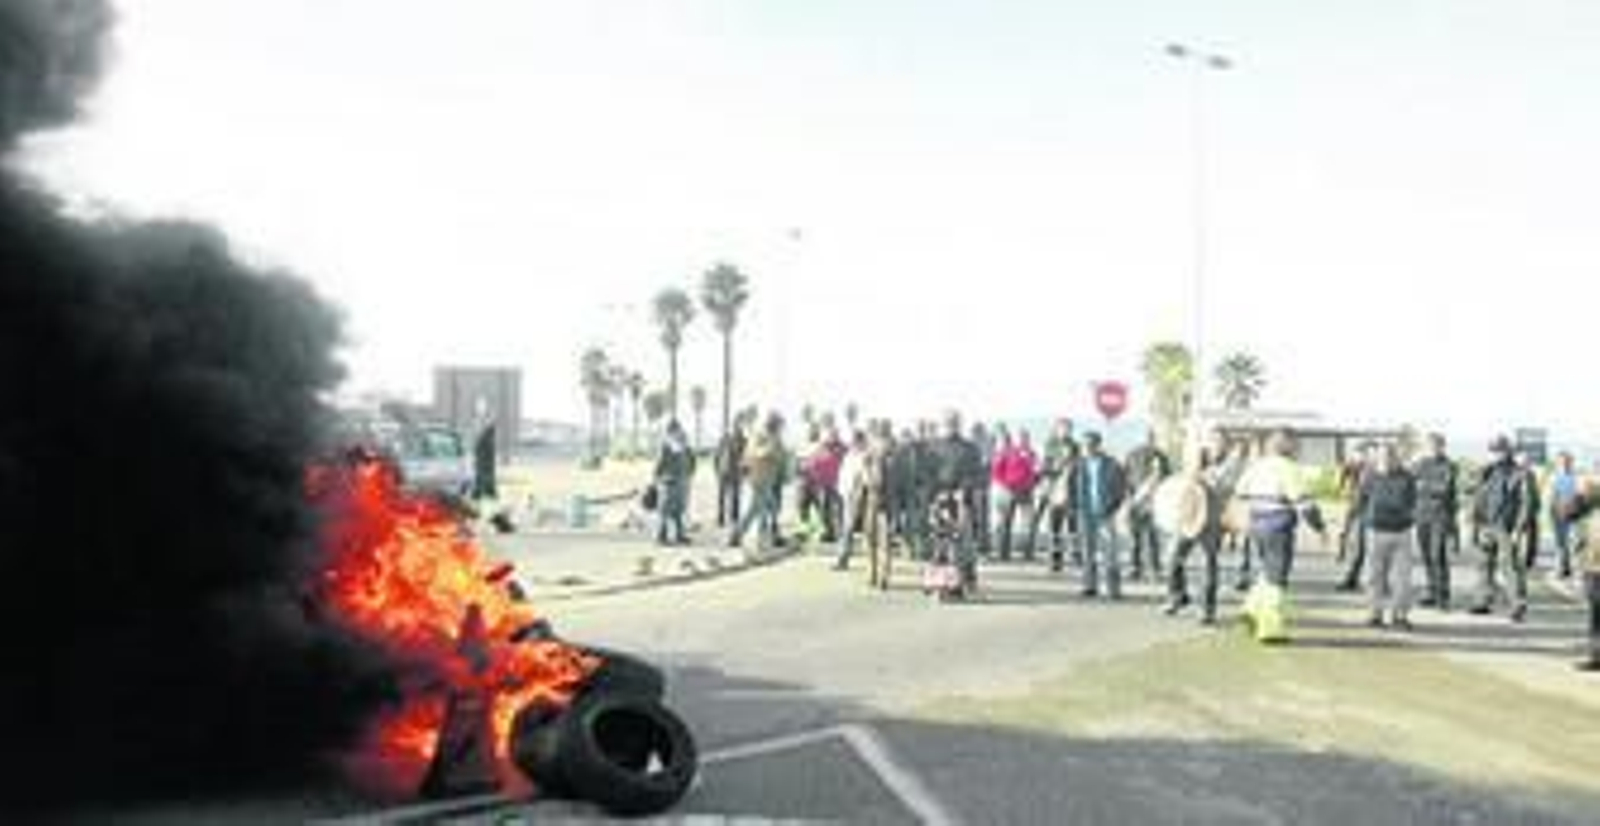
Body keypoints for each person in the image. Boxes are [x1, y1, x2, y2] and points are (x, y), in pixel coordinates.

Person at [1234, 429, 1315, 590]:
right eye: (1296, 445)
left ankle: (1259, 609)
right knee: (1278, 573)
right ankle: (1270, 611)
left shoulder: (1257, 466)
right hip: (1279, 524)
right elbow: (1303, 502)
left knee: (1264, 569)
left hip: (1256, 523)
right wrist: (1319, 526)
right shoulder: (1289, 468)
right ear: (1289, 447)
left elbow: (1240, 491)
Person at [1468, 435, 1535, 623]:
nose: (1496, 453)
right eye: (1494, 450)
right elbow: (1478, 498)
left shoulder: (1520, 473)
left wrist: (1518, 529)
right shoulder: (1487, 471)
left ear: (1508, 451)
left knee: (1511, 567)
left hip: (1508, 526)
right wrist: (1477, 523)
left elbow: (1526, 503)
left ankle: (1518, 605)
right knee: (1483, 565)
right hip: (1487, 524)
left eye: (1500, 450)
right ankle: (1482, 600)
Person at [1156, 441, 1219, 624]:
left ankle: (1207, 609)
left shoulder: (1214, 477)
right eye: (1190, 459)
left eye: (1198, 459)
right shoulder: (1180, 478)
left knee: (1207, 566)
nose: (1193, 463)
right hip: (1183, 525)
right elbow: (1172, 499)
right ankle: (1177, 597)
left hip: (1209, 527)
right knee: (1172, 560)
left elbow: (1221, 499)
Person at [1362, 443, 1418, 630]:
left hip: (1401, 533)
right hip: (1375, 532)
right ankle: (1374, 614)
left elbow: (1412, 502)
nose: (1385, 460)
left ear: (1396, 458)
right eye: (1382, 457)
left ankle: (1399, 616)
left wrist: (1406, 517)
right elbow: (1361, 500)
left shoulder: (1407, 478)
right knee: (1374, 577)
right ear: (1377, 458)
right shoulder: (1369, 476)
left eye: (1389, 457)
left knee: (1402, 579)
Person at [928, 411, 985, 597]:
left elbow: (977, 474)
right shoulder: (934, 447)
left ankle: (965, 581)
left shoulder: (969, 448)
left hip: (962, 501)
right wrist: (933, 493)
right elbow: (927, 473)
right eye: (948, 422)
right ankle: (940, 584)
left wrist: (964, 490)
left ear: (959, 424)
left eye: (954, 422)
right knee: (940, 544)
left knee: (963, 545)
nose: (951, 425)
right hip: (939, 500)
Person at [1070, 431, 1128, 599]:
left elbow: (1120, 488)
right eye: (1084, 445)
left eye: (1089, 445)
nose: (1086, 448)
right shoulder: (1079, 465)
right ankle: (1089, 585)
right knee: (1088, 551)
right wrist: (1075, 507)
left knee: (1110, 552)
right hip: (1086, 512)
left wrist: (1113, 507)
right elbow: (1071, 487)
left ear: (1097, 445)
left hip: (1106, 513)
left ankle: (1113, 589)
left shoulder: (1111, 464)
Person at [1412, 433, 1460, 609]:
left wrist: (1423, 485)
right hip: (1421, 515)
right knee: (1426, 557)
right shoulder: (1421, 464)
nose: (1433, 449)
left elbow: (1444, 489)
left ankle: (1443, 596)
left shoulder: (1449, 466)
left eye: (1436, 445)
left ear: (1442, 446)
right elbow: (1410, 482)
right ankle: (1431, 591)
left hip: (1440, 517)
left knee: (1437, 556)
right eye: (1429, 446)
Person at [729, 414, 786, 551]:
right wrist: (770, 449)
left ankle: (768, 537)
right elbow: (753, 453)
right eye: (779, 425)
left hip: (769, 479)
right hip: (757, 478)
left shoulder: (775, 438)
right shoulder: (759, 436)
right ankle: (737, 535)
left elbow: (780, 456)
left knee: (769, 509)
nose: (781, 429)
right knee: (755, 510)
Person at [1032, 418, 1081, 571]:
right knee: (1055, 527)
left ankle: (1076, 555)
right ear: (1056, 428)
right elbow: (1042, 468)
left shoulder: (1075, 446)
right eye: (1063, 428)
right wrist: (1054, 468)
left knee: (1073, 526)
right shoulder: (1049, 445)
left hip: (1071, 491)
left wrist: (1072, 464)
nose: (1065, 431)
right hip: (1054, 491)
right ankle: (1055, 559)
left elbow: (1080, 466)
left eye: (1068, 428)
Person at [1124, 433, 1172, 581]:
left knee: (1151, 538)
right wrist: (1129, 497)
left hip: (1153, 502)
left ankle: (1153, 568)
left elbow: (1167, 479)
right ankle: (1136, 567)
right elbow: (1125, 477)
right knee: (1136, 538)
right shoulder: (1133, 455)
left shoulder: (1161, 456)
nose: (1149, 441)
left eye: (1151, 438)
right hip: (1137, 501)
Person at [993, 428, 1039, 561]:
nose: (1024, 440)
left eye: (1026, 437)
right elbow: (996, 471)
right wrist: (1006, 484)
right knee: (1006, 523)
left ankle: (1028, 553)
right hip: (1009, 491)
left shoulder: (1032, 453)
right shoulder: (1008, 452)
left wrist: (1033, 483)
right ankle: (1003, 553)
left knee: (1029, 523)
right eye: (1021, 437)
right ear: (1017, 439)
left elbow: (1036, 472)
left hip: (1026, 492)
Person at [1336, 441, 1376, 592]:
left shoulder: (1375, 469)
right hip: (1355, 510)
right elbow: (1341, 486)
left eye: (1364, 453)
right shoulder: (1352, 467)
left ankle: (1373, 582)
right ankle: (1351, 578)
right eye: (1359, 453)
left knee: (1368, 548)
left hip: (1370, 512)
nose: (1361, 456)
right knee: (1355, 546)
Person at [653, 421, 696, 546]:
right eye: (676, 429)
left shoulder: (683, 445)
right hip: (668, 483)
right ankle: (661, 536)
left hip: (681, 482)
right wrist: (657, 479)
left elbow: (691, 460)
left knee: (678, 511)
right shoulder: (665, 446)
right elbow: (659, 465)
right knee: (664, 511)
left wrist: (689, 474)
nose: (678, 432)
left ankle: (679, 535)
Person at [834, 430, 870, 570]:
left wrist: (859, 490)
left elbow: (865, 478)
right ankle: (843, 558)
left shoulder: (864, 457)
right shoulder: (849, 456)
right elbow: (843, 475)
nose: (854, 443)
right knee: (845, 528)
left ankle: (844, 558)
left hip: (857, 496)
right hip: (845, 494)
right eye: (853, 441)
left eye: (857, 441)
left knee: (849, 529)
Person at [1550, 451, 1581, 579]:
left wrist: (1574, 509)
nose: (1565, 464)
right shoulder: (1556, 477)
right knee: (1560, 543)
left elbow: (1577, 496)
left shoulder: (1574, 477)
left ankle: (1567, 569)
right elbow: (1554, 497)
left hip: (1571, 513)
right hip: (1559, 513)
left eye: (1568, 462)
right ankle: (1562, 569)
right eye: (1563, 462)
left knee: (1571, 543)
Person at [713, 417, 748, 528]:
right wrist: (716, 468)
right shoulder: (725, 438)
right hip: (724, 470)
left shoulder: (743, 440)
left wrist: (744, 471)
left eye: (739, 425)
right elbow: (717, 454)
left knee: (735, 496)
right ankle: (721, 518)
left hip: (735, 472)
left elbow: (746, 456)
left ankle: (734, 518)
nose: (737, 428)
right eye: (736, 425)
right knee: (722, 496)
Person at [471, 419, 498, 501]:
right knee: (482, 480)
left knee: (483, 480)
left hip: (485, 463)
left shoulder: (486, 438)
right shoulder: (486, 438)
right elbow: (480, 451)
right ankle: (480, 495)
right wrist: (483, 461)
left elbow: (478, 450)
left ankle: (488, 494)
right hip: (484, 464)